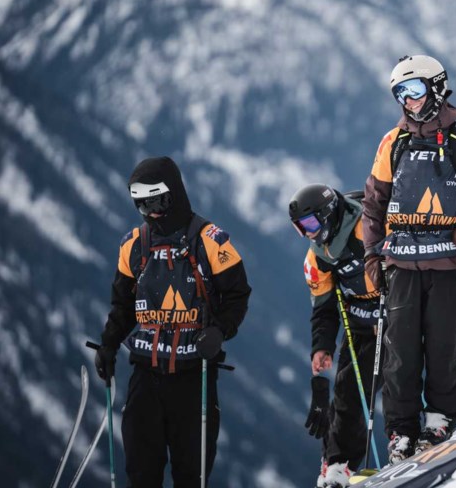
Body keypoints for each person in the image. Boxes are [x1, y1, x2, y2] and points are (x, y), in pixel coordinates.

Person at [362, 55, 456, 464]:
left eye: (414, 90)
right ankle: (401, 433)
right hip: (400, 267)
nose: (409, 101)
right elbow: (373, 206)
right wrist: (371, 258)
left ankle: (441, 422)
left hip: (448, 265)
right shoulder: (392, 143)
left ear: (437, 87)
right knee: (401, 355)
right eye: (400, 94)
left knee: (443, 349)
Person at [94, 156, 251, 486]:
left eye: (158, 201)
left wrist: (219, 331)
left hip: (193, 379)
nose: (151, 212)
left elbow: (238, 295)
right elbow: (122, 305)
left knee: (190, 474)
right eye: (142, 205)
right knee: (141, 473)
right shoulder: (133, 246)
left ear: (175, 194)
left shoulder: (211, 241)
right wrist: (108, 343)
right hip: (145, 378)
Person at [289, 184, 380, 488]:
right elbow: (324, 307)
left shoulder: (368, 226)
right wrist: (322, 347)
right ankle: (339, 465)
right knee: (348, 390)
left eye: (311, 225)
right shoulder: (316, 259)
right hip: (359, 320)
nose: (309, 234)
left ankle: (408, 439)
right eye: (301, 229)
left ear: (327, 214)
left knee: (399, 377)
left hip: (395, 308)